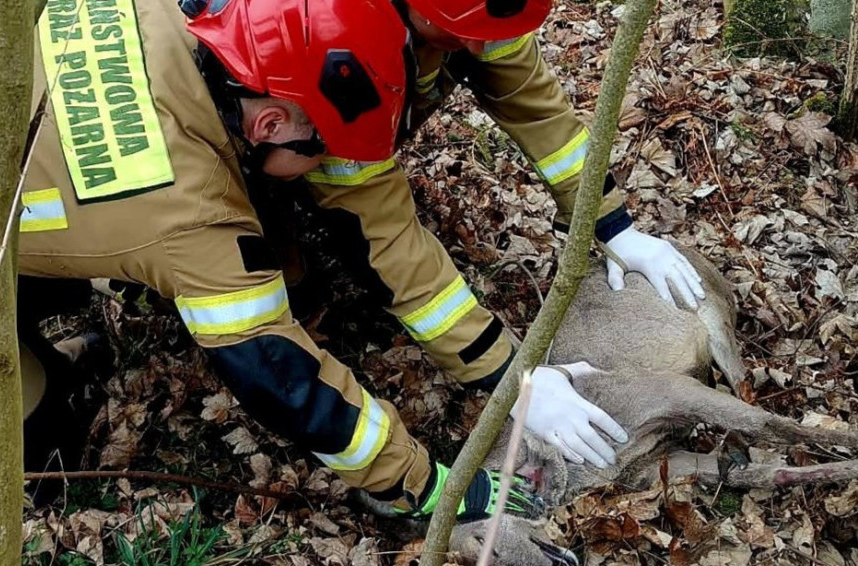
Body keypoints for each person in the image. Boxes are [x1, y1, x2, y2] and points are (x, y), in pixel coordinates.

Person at [20, 0, 544, 522]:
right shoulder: (190, 217)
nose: (323, 166)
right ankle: (38, 446)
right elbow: (282, 376)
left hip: (2, 117)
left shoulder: (198, 19)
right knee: (23, 404)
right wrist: (422, 487)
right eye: (322, 149)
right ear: (269, 122)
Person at [255, 0, 706, 469]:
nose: (477, 46)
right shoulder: (329, 41)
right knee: (282, 259)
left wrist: (613, 225)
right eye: (462, 31)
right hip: (269, 142)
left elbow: (538, 112)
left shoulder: (480, 15)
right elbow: (388, 238)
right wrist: (511, 378)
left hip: (313, 133)